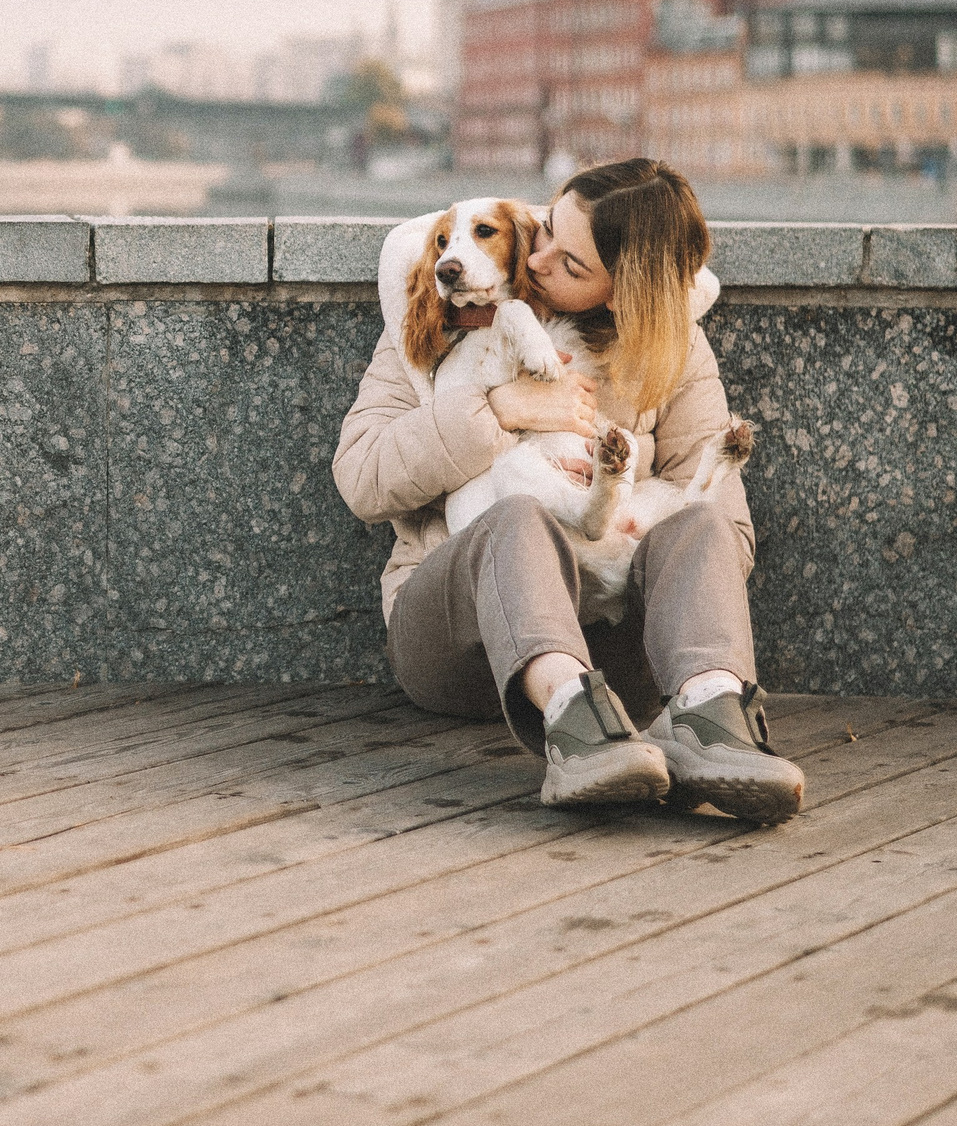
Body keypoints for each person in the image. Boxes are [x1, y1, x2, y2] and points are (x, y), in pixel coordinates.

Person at [331, 158, 805, 822]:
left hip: (622, 661)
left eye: (572, 265)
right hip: (458, 643)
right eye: (547, 226)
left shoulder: (675, 348)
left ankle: (714, 720)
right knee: (517, 515)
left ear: (620, 292)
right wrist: (497, 409)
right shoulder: (447, 314)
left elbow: (730, 543)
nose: (539, 257)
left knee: (705, 525)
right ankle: (574, 732)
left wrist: (622, 523)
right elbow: (360, 475)